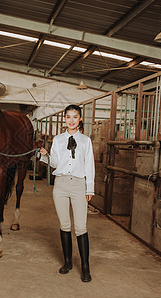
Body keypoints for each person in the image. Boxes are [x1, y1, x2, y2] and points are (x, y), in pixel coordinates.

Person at [39, 104, 95, 282]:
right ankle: (68, 262)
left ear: (79, 119)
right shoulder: (58, 140)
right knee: (65, 225)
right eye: (68, 117)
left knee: (81, 227)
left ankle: (85, 268)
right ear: (65, 119)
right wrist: (45, 155)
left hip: (79, 185)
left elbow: (89, 166)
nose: (71, 120)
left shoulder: (86, 141)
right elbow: (55, 163)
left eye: (74, 116)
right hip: (61, 185)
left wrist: (90, 188)